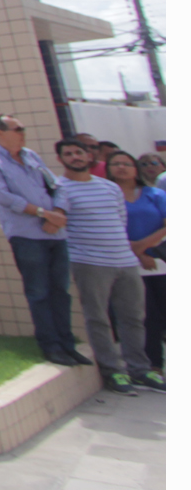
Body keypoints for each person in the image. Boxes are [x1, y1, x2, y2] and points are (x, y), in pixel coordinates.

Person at [0, 114, 87, 366]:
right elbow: (3, 196)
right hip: (26, 235)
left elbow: (56, 186)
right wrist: (41, 213)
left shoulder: (31, 156)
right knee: (39, 292)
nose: (23, 132)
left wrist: (57, 213)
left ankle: (67, 344)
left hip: (55, 233)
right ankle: (50, 346)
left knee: (60, 290)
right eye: (17, 128)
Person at [52, 139, 162, 394]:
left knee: (134, 318)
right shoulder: (59, 188)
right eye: (68, 154)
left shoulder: (110, 188)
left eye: (79, 152)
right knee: (99, 318)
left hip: (125, 261)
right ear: (60, 159)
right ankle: (113, 372)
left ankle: (140, 370)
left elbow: (119, 222)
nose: (75, 157)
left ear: (89, 157)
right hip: (90, 262)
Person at [107, 149, 166, 374]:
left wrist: (143, 248)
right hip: (128, 265)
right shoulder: (107, 197)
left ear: (135, 169)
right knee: (147, 318)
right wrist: (138, 254)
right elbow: (110, 229)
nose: (122, 167)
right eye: (116, 164)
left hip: (161, 261)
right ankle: (154, 366)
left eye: (126, 163)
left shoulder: (155, 194)